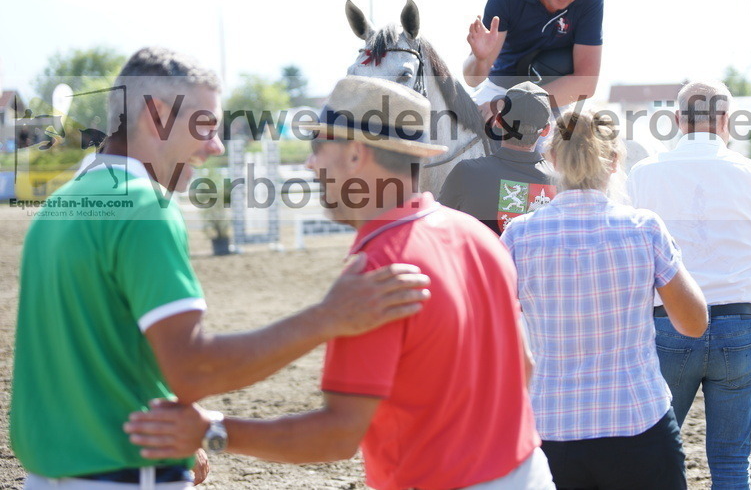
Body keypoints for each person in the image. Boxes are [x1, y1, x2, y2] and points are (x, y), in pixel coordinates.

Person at [10, 48, 429, 489]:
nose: (215, 145)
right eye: (206, 126)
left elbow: (98, 354)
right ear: (157, 117)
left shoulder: (62, 203)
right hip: (126, 474)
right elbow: (194, 371)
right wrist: (328, 317)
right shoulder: (144, 206)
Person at [126, 76, 553, 490]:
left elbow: (338, 435)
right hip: (528, 470)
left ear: (354, 155)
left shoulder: (377, 270)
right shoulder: (479, 236)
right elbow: (525, 365)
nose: (311, 163)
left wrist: (212, 431)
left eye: (318, 147)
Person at [501, 110, 708, 490]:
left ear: (551, 158)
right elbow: (693, 323)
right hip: (637, 417)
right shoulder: (644, 228)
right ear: (615, 161)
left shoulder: (519, 235)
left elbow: (492, 331)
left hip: (551, 423)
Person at [626, 80, 751, 490]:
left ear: (677, 120)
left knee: (652, 460)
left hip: (667, 326)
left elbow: (631, 260)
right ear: (726, 120)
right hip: (738, 327)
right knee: (731, 463)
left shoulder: (643, 174)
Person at [464, 0, 604, 112]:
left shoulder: (590, 0)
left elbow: (586, 83)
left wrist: (511, 104)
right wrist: (480, 59)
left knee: (578, 136)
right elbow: (472, 80)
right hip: (500, 89)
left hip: (555, 96)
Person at [438, 81, 558, 234]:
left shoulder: (466, 173)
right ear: (546, 130)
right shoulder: (560, 183)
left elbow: (436, 229)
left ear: (499, 121)